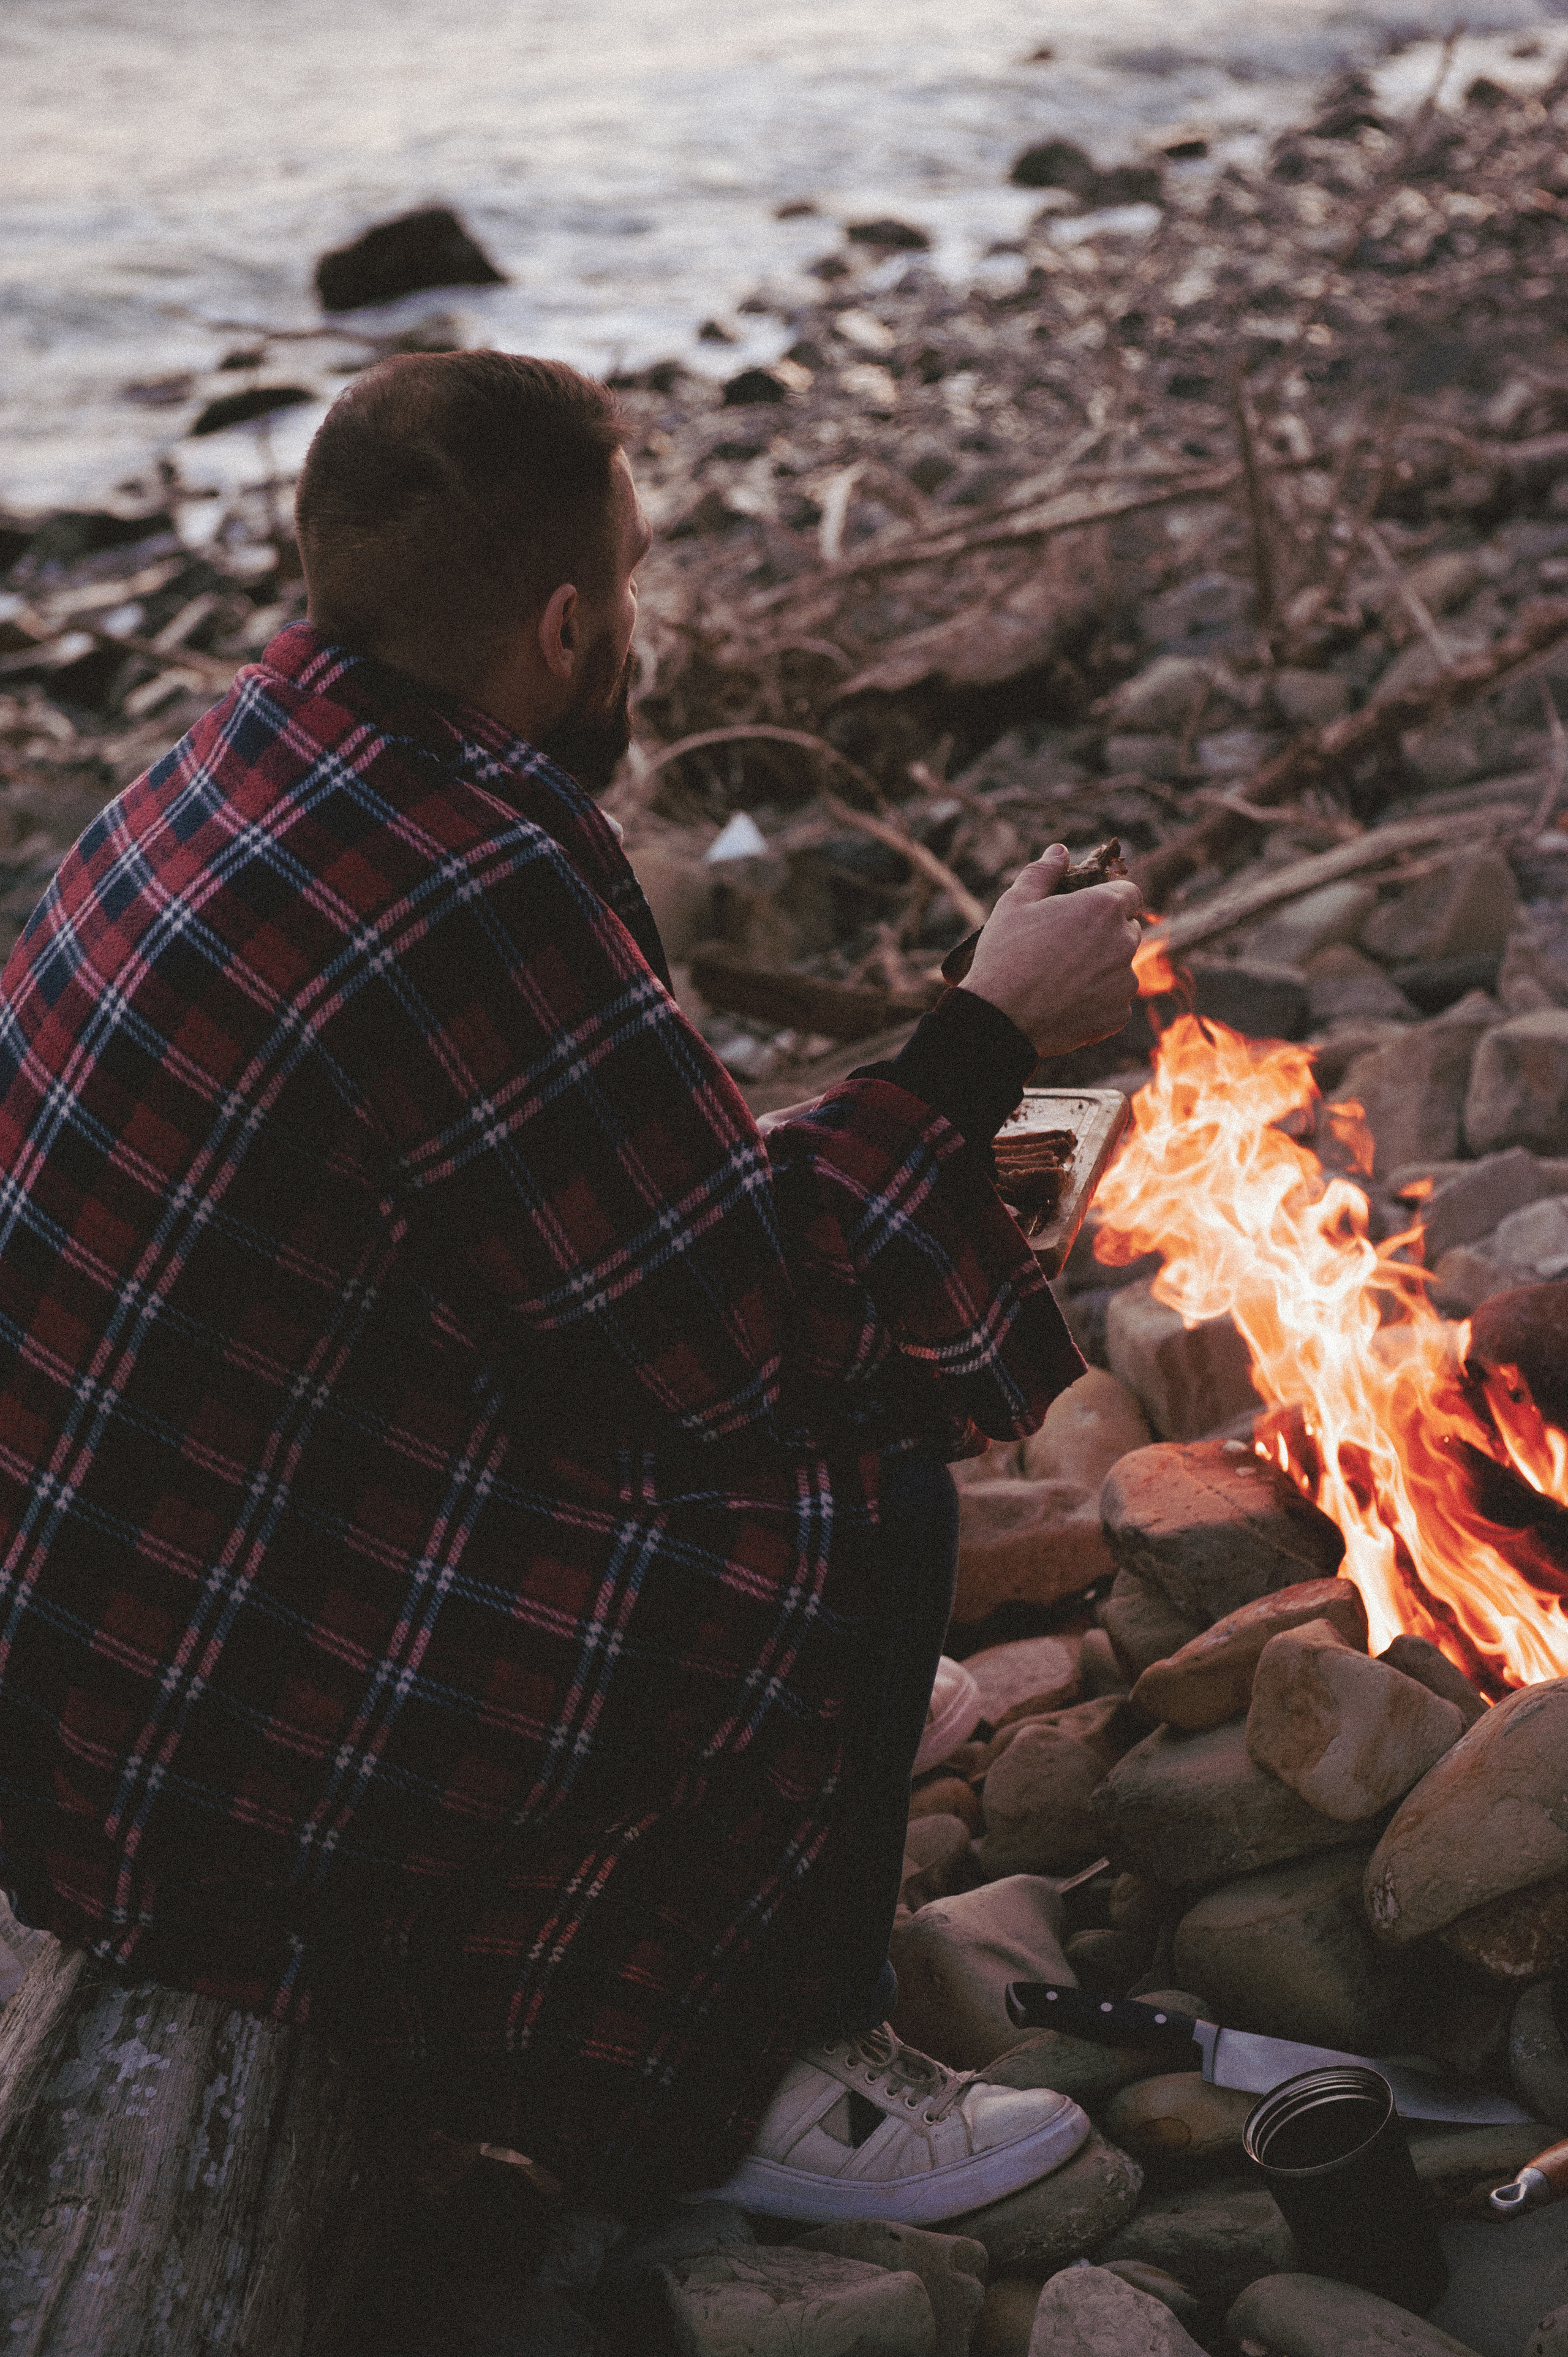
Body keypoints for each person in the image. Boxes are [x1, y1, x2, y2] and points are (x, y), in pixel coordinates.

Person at [0, 351, 1142, 2225]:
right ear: (559, 622)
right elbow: (752, 1347)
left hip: (80, 1679)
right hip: (211, 1771)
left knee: (809, 1353)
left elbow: (606, 1221)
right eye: (629, 579)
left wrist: (965, 1073)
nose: (638, 623)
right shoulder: (474, 866)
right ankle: (751, 2081)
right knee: (864, 1515)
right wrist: (1000, 1037)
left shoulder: (243, 753)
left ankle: (794, 1754)